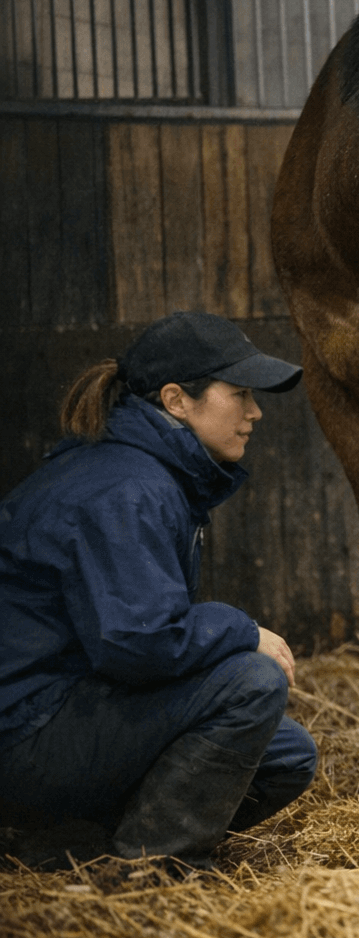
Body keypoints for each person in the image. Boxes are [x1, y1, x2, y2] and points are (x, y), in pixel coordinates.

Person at [0, 312, 317, 873]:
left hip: (54, 713)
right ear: (176, 400)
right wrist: (242, 631)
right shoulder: (126, 487)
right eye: (239, 393)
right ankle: (147, 870)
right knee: (251, 683)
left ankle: (67, 840)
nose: (255, 412)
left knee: (284, 755)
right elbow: (137, 643)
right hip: (24, 732)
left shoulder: (140, 471)